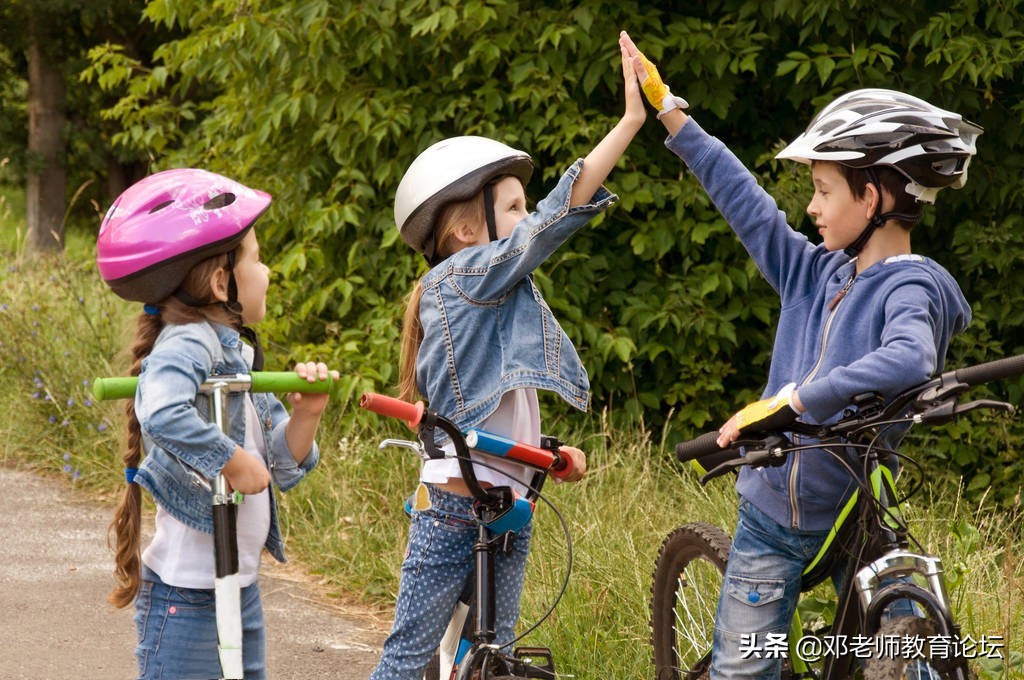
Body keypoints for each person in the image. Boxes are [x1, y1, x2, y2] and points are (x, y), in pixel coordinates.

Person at [620, 32, 979, 679]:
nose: (811, 206)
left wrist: (794, 400)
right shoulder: (814, 273)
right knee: (743, 670)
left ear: (872, 199)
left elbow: (910, 358)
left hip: (857, 512)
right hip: (770, 515)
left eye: (823, 190)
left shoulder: (911, 286)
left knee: (908, 648)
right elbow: (747, 206)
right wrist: (669, 111)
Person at [368, 40, 647, 679]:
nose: (527, 219)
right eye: (514, 208)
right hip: (454, 509)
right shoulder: (463, 277)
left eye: (525, 206)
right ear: (466, 232)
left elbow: (500, 400)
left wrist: (548, 450)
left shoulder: (498, 295)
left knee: (493, 659)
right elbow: (558, 217)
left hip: (510, 506)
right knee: (408, 657)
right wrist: (630, 122)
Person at [96, 168, 337, 679]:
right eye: (257, 258)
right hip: (188, 597)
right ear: (221, 281)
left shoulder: (236, 353)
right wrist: (230, 460)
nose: (267, 271)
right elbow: (162, 408)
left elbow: (279, 465)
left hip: (237, 587)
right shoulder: (191, 340)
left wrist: (307, 414)